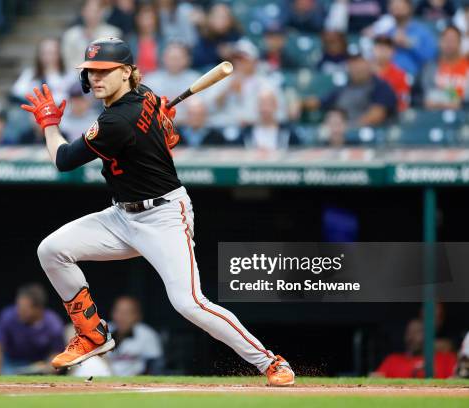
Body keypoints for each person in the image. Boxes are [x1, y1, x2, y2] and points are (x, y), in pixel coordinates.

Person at [20, 37, 295, 386]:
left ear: (126, 72)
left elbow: (63, 159)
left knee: (189, 303)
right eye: (90, 71)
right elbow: (164, 137)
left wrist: (48, 125)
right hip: (122, 216)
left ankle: (271, 362)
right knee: (52, 250)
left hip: (163, 217)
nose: (95, 78)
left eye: (105, 71)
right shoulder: (145, 95)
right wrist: (158, 123)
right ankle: (92, 333)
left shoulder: (116, 121)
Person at [208, 38, 286, 129]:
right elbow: (208, 109)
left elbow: (281, 113)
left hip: (256, 130)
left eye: (243, 59)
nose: (239, 62)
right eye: (236, 58)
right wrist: (227, 91)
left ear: (255, 61)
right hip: (227, 129)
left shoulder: (266, 83)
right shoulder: (223, 80)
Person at [303, 52, 397, 127]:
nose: (355, 66)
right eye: (352, 62)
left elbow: (376, 115)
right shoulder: (343, 88)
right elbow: (319, 101)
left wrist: (347, 128)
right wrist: (300, 104)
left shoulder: (381, 87)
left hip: (372, 142)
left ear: (369, 63)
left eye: (359, 61)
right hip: (343, 137)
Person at [0, 283, 65, 375]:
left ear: (38, 308)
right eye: (18, 307)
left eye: (24, 309)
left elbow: (58, 352)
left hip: (39, 366)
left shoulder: (53, 322)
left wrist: (49, 369)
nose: (19, 312)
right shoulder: (8, 316)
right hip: (11, 364)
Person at [368, 0, 438, 77]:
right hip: (388, 78)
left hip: (416, 79)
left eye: (400, 5)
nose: (396, 7)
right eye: (394, 5)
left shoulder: (422, 32)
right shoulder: (386, 33)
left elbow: (431, 58)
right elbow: (373, 59)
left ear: (409, 7)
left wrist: (409, 44)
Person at [372, 318, 457, 378]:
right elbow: (375, 379)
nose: (411, 337)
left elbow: (457, 381)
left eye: (417, 332)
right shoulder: (392, 360)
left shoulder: (446, 359)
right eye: (409, 333)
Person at [143, 42, 201, 124]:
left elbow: (201, 109)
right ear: (163, 58)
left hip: (188, 126)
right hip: (158, 126)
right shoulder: (150, 80)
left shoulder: (196, 79)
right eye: (171, 58)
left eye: (178, 58)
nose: (174, 62)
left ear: (187, 59)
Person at [107, 296, 163, 375]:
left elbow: (155, 365)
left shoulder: (147, 334)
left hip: (135, 382)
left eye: (126, 313)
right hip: (104, 381)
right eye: (118, 311)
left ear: (137, 316)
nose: (121, 317)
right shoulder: (103, 331)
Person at [62, 0, 122, 71]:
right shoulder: (70, 35)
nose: (92, 14)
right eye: (89, 10)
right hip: (76, 77)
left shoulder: (113, 33)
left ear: (102, 12)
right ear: (83, 12)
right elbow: (68, 62)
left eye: (96, 11)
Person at [12, 38, 71, 106]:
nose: (48, 57)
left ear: (59, 54)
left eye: (51, 53)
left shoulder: (69, 75)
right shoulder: (30, 74)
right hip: (34, 113)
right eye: (44, 53)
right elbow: (17, 92)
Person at [422, 26, 469, 110]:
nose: (449, 44)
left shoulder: (467, 66)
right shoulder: (431, 67)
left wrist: (460, 103)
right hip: (436, 116)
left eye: (452, 40)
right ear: (440, 42)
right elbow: (428, 97)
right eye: (446, 40)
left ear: (460, 43)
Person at [191, 3, 241, 69]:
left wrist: (233, 52)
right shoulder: (203, 34)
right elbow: (196, 61)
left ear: (230, 20)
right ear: (210, 18)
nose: (221, 20)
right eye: (217, 16)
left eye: (224, 17)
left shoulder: (236, 33)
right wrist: (218, 53)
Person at [371, 35, 410, 112]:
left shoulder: (400, 75)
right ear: (373, 49)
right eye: (379, 47)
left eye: (387, 47)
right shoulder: (365, 72)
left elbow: (403, 102)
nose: (382, 51)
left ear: (393, 52)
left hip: (390, 115)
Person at [127, 2, 161, 75]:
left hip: (159, 79)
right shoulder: (130, 40)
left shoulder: (163, 40)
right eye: (144, 18)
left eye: (151, 18)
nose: (148, 22)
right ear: (137, 20)